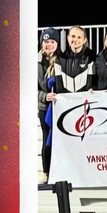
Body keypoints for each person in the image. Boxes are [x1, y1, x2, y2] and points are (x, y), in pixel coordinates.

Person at [37, 28, 61, 181]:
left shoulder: (62, 60)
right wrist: (45, 96)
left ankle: (59, 171)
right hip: (45, 107)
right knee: (47, 139)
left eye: (52, 42)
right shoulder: (35, 62)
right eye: (46, 42)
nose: (49, 45)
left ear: (57, 44)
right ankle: (46, 172)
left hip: (61, 107)